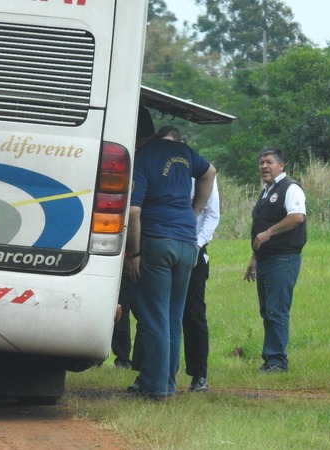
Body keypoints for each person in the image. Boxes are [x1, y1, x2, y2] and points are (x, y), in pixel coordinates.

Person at [124, 107, 216, 399]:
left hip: (157, 242)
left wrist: (134, 253)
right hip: (187, 243)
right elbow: (210, 172)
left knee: (154, 317)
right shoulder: (181, 151)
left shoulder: (142, 158)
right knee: (173, 318)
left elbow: (134, 212)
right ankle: (168, 384)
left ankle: (154, 387)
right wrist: (194, 211)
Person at [157, 126, 220, 392]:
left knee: (192, 313)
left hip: (193, 249)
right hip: (164, 246)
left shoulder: (200, 173)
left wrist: (195, 244)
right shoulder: (157, 171)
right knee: (156, 311)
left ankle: (199, 374)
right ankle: (153, 372)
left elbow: (212, 215)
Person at [243, 147, 307, 372]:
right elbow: (260, 228)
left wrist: (269, 233)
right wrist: (254, 259)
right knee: (267, 310)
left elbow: (297, 217)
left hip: (284, 258)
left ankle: (278, 362)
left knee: (276, 310)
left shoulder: (290, 188)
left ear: (282, 165)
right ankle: (270, 359)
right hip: (266, 259)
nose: (264, 166)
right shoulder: (266, 190)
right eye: (261, 163)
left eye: (269, 162)